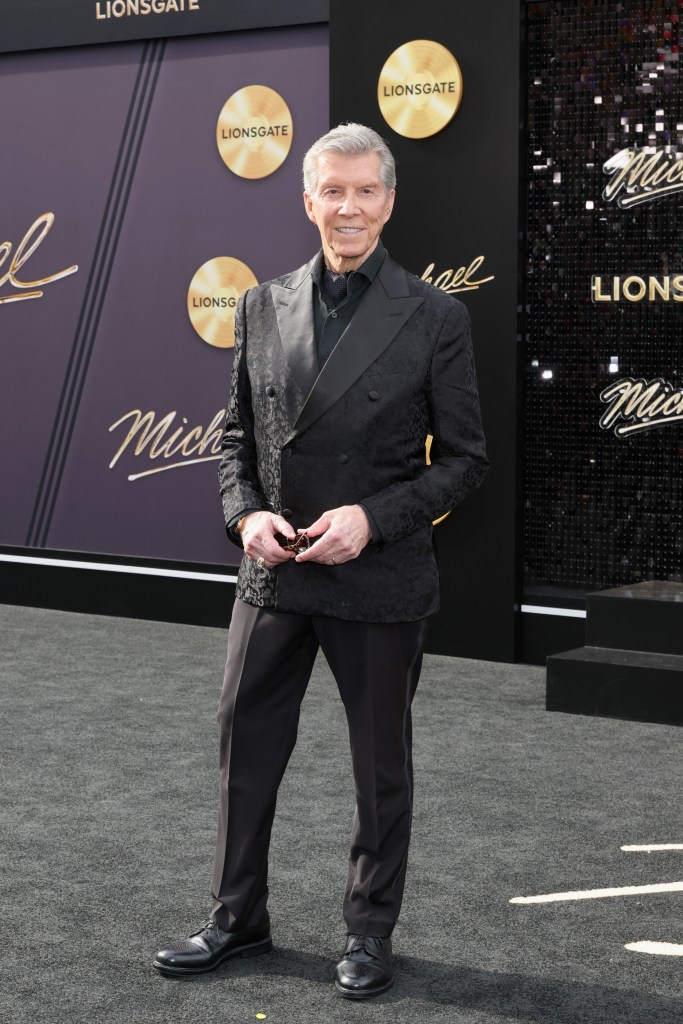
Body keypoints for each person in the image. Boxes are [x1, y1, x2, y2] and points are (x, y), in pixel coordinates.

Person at [153, 123, 488, 998]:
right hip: (275, 571)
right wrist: (245, 516)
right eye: (330, 191)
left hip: (377, 576)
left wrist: (370, 521)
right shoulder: (260, 304)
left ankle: (369, 932)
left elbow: (464, 460)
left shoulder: (435, 315)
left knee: (379, 766)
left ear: (387, 202)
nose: (347, 207)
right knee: (244, 746)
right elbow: (235, 442)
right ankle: (235, 917)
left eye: (364, 192)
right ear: (307, 201)